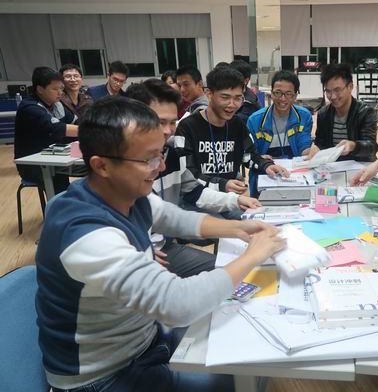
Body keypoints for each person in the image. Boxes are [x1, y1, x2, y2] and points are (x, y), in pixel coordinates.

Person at [35, 96, 285, 392]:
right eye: (149, 159)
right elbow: (178, 304)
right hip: (103, 375)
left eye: (161, 153)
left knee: (246, 354)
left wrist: (239, 227)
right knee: (238, 377)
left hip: (144, 340)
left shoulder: (122, 192)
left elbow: (173, 217)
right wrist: (253, 255)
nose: (161, 166)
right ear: (101, 165)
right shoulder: (87, 235)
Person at [127, 79, 261, 262]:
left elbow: (192, 193)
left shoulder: (171, 154)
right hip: (139, 256)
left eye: (172, 122)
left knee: (229, 256)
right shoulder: (121, 165)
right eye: (159, 122)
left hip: (162, 245)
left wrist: (235, 201)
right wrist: (139, 248)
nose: (167, 131)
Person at [176, 66, 288, 200]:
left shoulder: (237, 124)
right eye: (225, 97)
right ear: (209, 94)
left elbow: (248, 155)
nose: (232, 104)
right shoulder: (187, 127)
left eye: (238, 98)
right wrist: (222, 184)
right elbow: (186, 174)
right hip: (197, 202)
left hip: (230, 200)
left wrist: (266, 165)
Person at [246, 70, 313, 193]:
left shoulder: (304, 116)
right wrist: (259, 158)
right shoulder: (255, 120)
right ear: (271, 93)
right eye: (278, 93)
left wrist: (312, 152)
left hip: (294, 177)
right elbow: (249, 155)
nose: (282, 98)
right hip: (265, 176)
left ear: (295, 96)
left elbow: (304, 145)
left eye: (288, 94)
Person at [14, 66, 78, 194]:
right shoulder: (29, 107)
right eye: (55, 89)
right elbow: (57, 128)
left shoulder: (57, 104)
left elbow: (76, 122)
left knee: (92, 169)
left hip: (57, 158)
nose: (60, 93)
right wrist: (92, 131)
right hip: (34, 164)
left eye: (61, 88)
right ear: (40, 89)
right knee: (61, 188)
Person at [307, 63, 378, 162]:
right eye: (328, 91)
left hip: (361, 166)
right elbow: (321, 143)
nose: (332, 96)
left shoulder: (365, 112)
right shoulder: (323, 114)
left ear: (350, 87)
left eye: (337, 90)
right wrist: (316, 147)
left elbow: (372, 147)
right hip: (333, 167)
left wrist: (353, 146)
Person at [229, 59, 261, 124]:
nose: (229, 81)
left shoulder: (248, 102)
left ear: (246, 81)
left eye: (234, 78)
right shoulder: (238, 93)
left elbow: (235, 122)